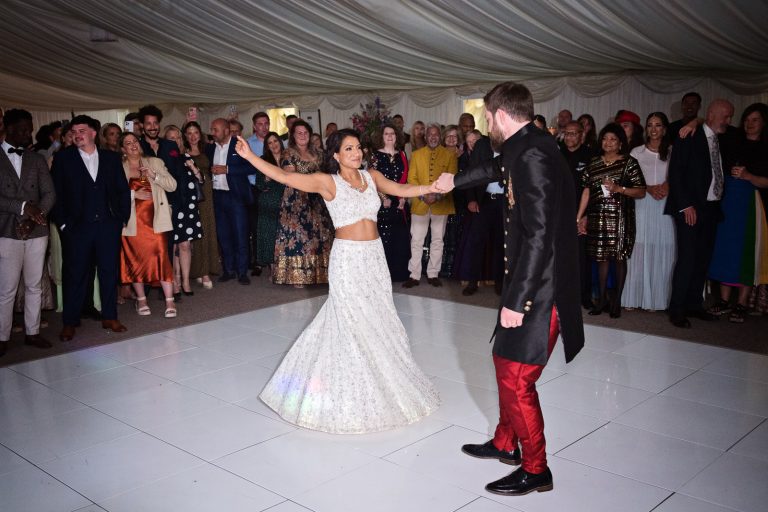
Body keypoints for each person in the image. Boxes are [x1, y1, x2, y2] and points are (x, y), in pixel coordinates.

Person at [234, 128, 440, 434]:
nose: (356, 153)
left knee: (378, 319)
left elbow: (400, 188)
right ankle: (343, 389)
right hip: (348, 260)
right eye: (348, 149)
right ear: (335, 155)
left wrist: (429, 186)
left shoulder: (371, 177)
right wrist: (250, 156)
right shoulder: (327, 181)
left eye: (358, 147)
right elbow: (286, 178)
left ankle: (383, 381)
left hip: (374, 258)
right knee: (349, 321)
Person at [436, 81, 584, 496]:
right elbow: (496, 168)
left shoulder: (534, 153)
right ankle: (505, 442)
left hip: (541, 287)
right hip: (531, 280)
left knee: (518, 379)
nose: (486, 125)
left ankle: (536, 468)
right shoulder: (527, 144)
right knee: (504, 361)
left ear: (500, 115)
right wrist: (455, 181)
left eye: (486, 118)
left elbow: (540, 235)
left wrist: (518, 301)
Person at [51, 115, 131, 342]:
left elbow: (122, 190)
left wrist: (122, 219)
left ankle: (110, 316)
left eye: (82, 130)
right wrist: (64, 224)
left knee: (109, 272)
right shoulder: (63, 159)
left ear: (94, 133)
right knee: (74, 274)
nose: (77, 135)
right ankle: (70, 321)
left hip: (108, 226)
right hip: (77, 228)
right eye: (74, 131)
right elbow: (56, 195)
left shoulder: (110, 158)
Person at [665, 99, 734, 328]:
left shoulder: (721, 138)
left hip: (712, 209)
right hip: (690, 209)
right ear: (713, 114)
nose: (729, 121)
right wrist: (685, 206)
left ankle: (694, 304)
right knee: (687, 259)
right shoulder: (689, 136)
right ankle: (677, 309)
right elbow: (676, 173)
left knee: (703, 259)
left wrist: (699, 119)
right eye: (726, 116)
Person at [0, 109, 56, 357]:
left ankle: (32, 332)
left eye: (30, 129)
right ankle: (2, 336)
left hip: (36, 231)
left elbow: (50, 194)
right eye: (24, 129)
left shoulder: (37, 159)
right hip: (6, 231)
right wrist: (24, 207)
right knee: (7, 288)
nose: (29, 133)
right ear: (9, 129)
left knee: (34, 285)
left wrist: (34, 220)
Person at [577, 123, 647, 318]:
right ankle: (600, 302)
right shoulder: (593, 163)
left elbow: (641, 191)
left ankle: (616, 303)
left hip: (621, 218)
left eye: (613, 139)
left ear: (620, 143)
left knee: (618, 257)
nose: (608, 143)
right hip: (598, 217)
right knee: (600, 258)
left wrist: (619, 189)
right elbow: (586, 190)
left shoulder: (629, 163)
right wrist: (579, 216)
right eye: (605, 138)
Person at [708, 103, 768, 322]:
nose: (749, 124)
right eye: (747, 119)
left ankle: (741, 303)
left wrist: (749, 176)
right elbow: (709, 123)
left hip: (751, 203)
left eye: (755, 120)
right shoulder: (732, 139)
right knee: (724, 248)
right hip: (727, 200)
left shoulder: (765, 147)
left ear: (764, 123)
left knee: (745, 251)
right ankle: (724, 300)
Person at [118, 133, 178, 318]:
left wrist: (154, 176)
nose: (133, 145)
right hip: (132, 223)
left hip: (156, 220)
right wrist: (133, 195)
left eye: (135, 141)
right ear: (123, 149)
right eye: (128, 143)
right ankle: (141, 299)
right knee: (135, 259)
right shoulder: (119, 167)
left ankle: (170, 301)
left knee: (162, 257)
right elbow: (111, 194)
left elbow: (172, 185)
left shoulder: (155, 162)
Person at [623, 113, 676, 311]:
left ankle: (656, 299)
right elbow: (628, 179)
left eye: (658, 125)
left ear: (664, 129)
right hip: (642, 203)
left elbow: (680, 176)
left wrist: (668, 186)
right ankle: (634, 297)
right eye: (650, 125)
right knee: (639, 248)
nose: (653, 129)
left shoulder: (672, 151)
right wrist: (648, 188)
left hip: (664, 206)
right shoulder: (637, 152)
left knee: (662, 248)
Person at [272, 120, 333, 286]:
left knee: (320, 236)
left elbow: (328, 173)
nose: (303, 136)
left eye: (306, 132)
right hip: (296, 201)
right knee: (300, 238)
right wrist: (314, 179)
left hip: (318, 200)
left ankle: (320, 275)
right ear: (293, 135)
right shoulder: (288, 153)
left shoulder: (319, 153)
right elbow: (289, 175)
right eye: (299, 133)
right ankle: (297, 276)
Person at [402, 123, 458, 288]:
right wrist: (421, 195)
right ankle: (414, 274)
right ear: (425, 137)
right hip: (420, 204)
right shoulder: (417, 154)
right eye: (430, 134)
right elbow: (411, 178)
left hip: (442, 204)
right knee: (417, 240)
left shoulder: (449, 155)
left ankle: (433, 273)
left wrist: (438, 196)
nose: (433, 137)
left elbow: (452, 179)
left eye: (436, 134)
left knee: (437, 240)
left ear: (440, 137)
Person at [205, 118, 256, 285]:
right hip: (218, 197)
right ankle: (228, 270)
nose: (212, 132)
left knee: (241, 235)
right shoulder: (210, 147)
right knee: (224, 235)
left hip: (236, 197)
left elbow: (252, 167)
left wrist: (227, 169)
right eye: (212, 129)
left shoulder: (239, 145)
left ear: (226, 131)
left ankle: (242, 272)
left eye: (215, 129)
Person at [164, 125, 203, 297]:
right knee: (172, 246)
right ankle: (175, 280)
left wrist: (194, 169)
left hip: (189, 207)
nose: (175, 141)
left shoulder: (186, 156)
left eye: (178, 137)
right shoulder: (163, 159)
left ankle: (186, 281)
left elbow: (201, 180)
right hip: (172, 207)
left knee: (186, 245)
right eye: (171, 138)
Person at [559, 121, 596, 308]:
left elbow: (593, 189)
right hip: (559, 215)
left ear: (582, 135)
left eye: (574, 133)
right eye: (567, 133)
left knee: (582, 258)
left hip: (582, 215)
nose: (570, 137)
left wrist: (586, 216)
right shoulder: (557, 154)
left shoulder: (590, 155)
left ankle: (584, 296)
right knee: (560, 257)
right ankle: (562, 295)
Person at [370, 122, 410, 281]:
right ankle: (382, 276)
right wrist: (383, 198)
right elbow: (371, 179)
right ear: (381, 137)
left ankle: (399, 273)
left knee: (400, 236)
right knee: (383, 238)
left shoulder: (402, 154)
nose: (389, 136)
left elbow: (405, 178)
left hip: (399, 199)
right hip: (382, 200)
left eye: (392, 133)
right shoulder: (375, 155)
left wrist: (403, 198)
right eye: (386, 134)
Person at [184, 121, 220, 289]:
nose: (193, 136)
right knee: (196, 234)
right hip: (192, 195)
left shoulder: (209, 149)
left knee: (208, 230)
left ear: (200, 134)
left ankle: (206, 269)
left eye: (196, 132)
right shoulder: (182, 152)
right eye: (189, 133)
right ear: (185, 135)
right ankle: (201, 271)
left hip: (208, 194)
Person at [253, 132, 286, 275]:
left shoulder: (289, 158)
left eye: (275, 141)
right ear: (267, 147)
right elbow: (258, 184)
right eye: (270, 143)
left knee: (285, 235)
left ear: (280, 141)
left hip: (286, 200)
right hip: (269, 200)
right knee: (269, 235)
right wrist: (266, 179)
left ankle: (285, 267)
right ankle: (273, 268)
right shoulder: (263, 160)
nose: (273, 145)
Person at [246, 112, 270, 276]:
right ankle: (257, 261)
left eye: (266, 123)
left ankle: (272, 260)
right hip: (254, 188)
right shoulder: (248, 143)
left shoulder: (275, 141)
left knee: (271, 224)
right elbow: (246, 167)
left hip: (273, 188)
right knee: (255, 227)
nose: (264, 127)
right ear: (254, 126)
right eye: (260, 124)